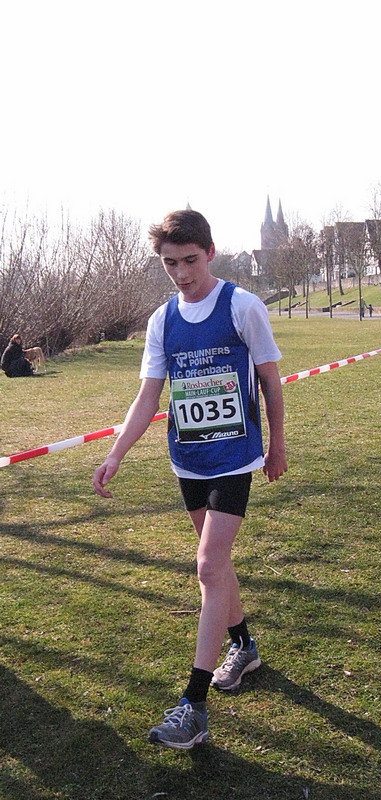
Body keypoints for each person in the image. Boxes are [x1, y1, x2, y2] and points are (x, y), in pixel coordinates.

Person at [92, 210, 287, 750]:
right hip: (188, 460)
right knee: (216, 565)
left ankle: (194, 706)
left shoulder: (242, 306)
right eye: (170, 263)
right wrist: (116, 454)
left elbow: (270, 382)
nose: (181, 273)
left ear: (210, 252)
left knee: (207, 565)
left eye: (190, 260)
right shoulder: (162, 320)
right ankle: (243, 646)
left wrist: (277, 445)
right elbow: (148, 396)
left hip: (236, 456)